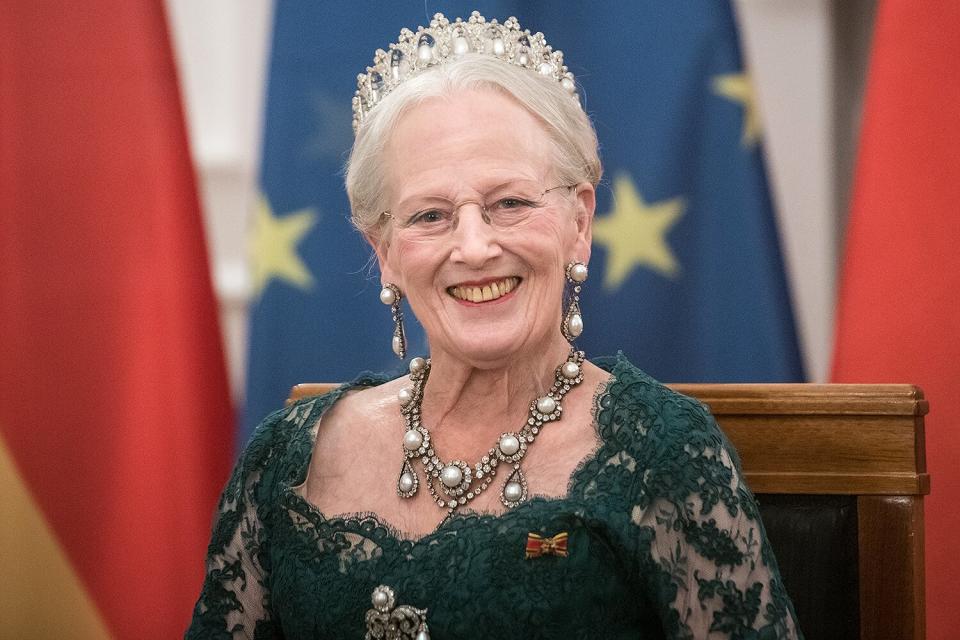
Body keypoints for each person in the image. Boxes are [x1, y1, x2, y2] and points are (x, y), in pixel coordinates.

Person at [187, 12, 802, 639]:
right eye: (431, 215)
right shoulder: (287, 460)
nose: (474, 247)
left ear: (579, 222)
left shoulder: (661, 456)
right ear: (385, 251)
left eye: (509, 204)